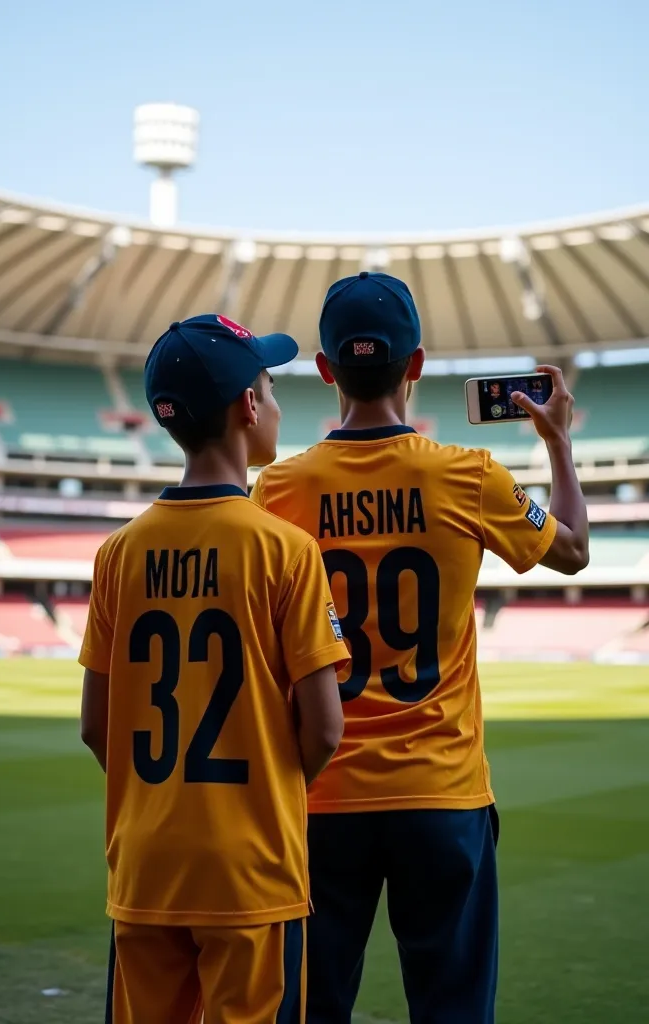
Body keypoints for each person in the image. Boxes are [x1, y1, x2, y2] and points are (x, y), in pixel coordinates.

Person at [251, 273, 589, 1024]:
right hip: (443, 796)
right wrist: (558, 443)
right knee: (454, 1011)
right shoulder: (469, 475)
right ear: (417, 365)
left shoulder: (276, 489)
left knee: (308, 1009)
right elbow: (572, 553)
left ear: (325, 369)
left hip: (319, 794)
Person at [79, 314, 349, 1024]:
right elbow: (324, 729)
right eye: (269, 385)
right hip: (250, 870)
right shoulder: (285, 549)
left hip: (144, 863)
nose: (276, 403)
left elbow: (95, 726)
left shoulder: (117, 553)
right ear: (248, 406)